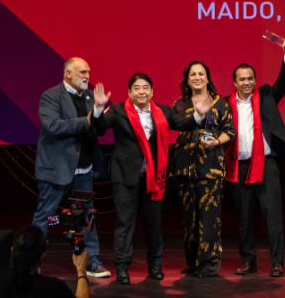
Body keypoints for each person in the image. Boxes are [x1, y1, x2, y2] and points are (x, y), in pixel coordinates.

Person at [88, 73, 211, 284]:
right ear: (129, 92)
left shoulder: (162, 111)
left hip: (153, 179)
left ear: (152, 92)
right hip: (125, 177)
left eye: (145, 87)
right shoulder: (118, 110)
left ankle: (155, 266)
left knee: (154, 225)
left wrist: (199, 115)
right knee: (125, 224)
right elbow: (99, 128)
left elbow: (183, 124)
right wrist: (98, 108)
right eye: (137, 88)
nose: (141, 91)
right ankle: (122, 268)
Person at [32, 57, 110, 278]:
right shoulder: (51, 96)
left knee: (87, 217)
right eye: (82, 72)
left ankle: (92, 262)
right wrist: (89, 119)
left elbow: (99, 130)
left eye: (88, 72)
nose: (87, 76)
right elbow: (53, 126)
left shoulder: (90, 97)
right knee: (45, 217)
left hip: (83, 171)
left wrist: (98, 112)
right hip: (55, 170)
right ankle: (32, 262)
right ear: (68, 73)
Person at [227, 41, 285, 277]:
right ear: (235, 82)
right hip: (239, 166)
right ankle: (248, 262)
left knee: (273, 216)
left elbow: (282, 84)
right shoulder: (225, 104)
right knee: (244, 218)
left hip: (266, 165)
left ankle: (277, 263)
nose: (247, 82)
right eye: (242, 79)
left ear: (255, 80)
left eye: (250, 78)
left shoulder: (266, 95)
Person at [171, 61, 235, 278]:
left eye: (201, 74)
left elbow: (230, 131)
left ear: (207, 78)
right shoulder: (179, 104)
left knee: (209, 219)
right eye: (193, 74)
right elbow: (173, 124)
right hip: (184, 170)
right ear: (187, 80)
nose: (197, 77)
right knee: (189, 220)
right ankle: (192, 262)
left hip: (211, 169)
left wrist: (216, 142)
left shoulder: (220, 103)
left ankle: (208, 264)